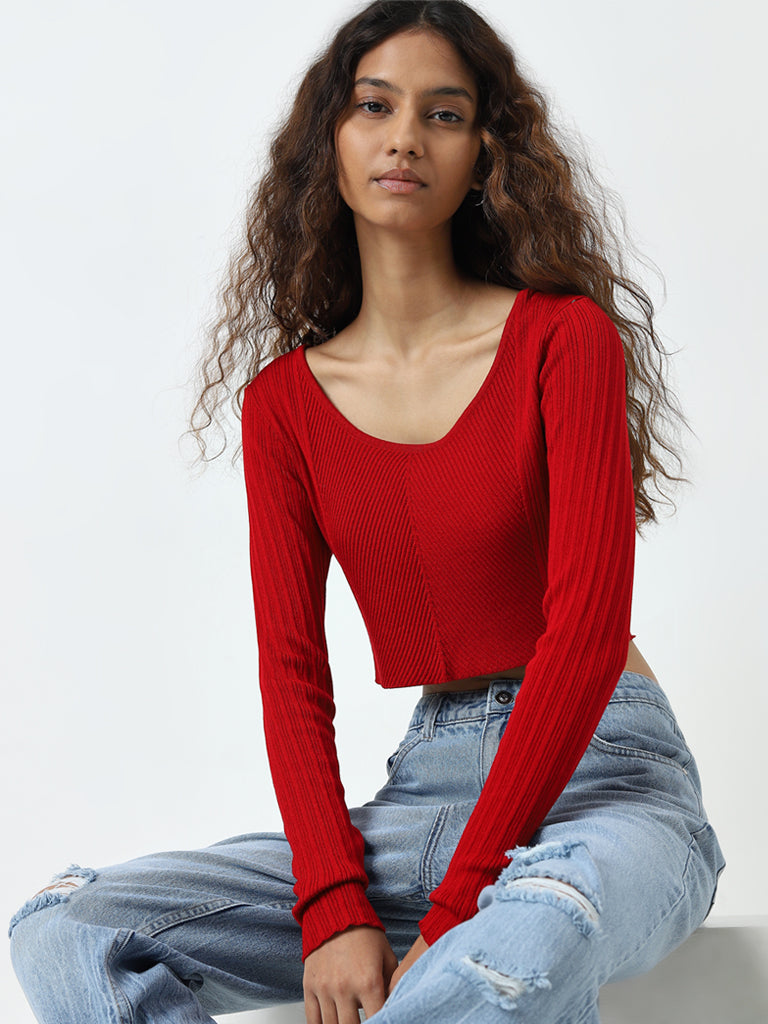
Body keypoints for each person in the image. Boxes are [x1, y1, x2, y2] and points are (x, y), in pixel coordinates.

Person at [8, 2, 725, 1022]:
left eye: (444, 114)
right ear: (329, 146)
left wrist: (464, 901)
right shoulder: (284, 406)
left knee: (530, 933)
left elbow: (585, 633)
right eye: (374, 106)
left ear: (483, 157)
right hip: (428, 787)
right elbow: (293, 672)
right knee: (65, 926)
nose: (405, 138)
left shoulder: (564, 341)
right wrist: (333, 901)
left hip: (607, 778)